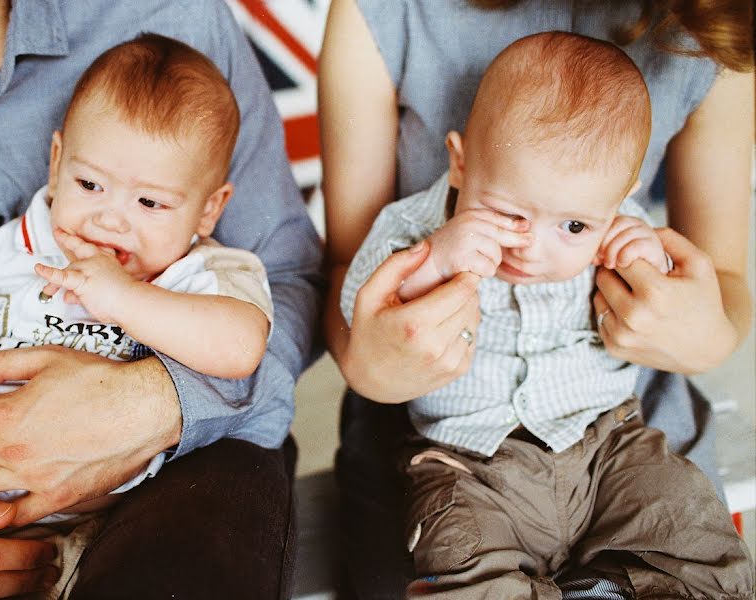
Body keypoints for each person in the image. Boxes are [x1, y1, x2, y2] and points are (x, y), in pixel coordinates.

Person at [0, 1, 322, 598]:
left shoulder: (198, 269)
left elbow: (245, 340)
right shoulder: (24, 239)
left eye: (149, 205)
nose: (110, 221)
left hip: (114, 499)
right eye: (89, 186)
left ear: (210, 210)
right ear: (57, 161)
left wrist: (128, 321)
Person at [318, 0, 753, 597]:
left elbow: (719, 278)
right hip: (465, 455)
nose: (533, 248)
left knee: (693, 547)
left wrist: (673, 289)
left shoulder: (617, 220)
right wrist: (434, 264)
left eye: (573, 227)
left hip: (614, 437)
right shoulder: (418, 230)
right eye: (509, 214)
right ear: (459, 162)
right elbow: (355, 284)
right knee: (466, 571)